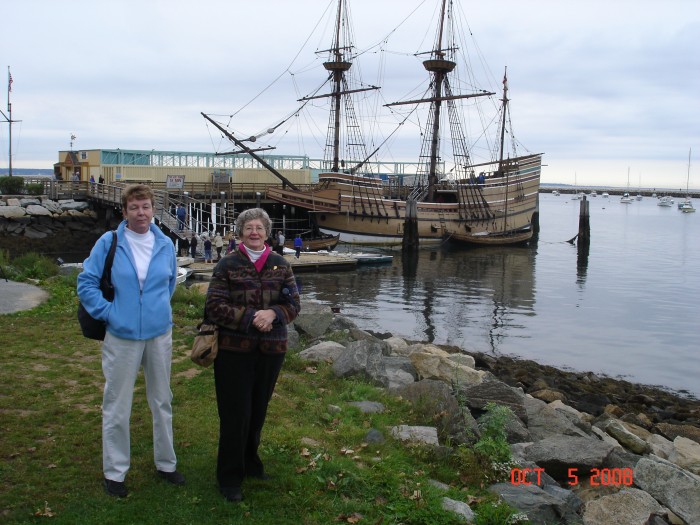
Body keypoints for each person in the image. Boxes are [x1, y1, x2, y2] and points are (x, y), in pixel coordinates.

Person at [77, 184, 184, 498]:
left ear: (153, 210)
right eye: (135, 207)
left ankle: (166, 463)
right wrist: (109, 312)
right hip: (121, 335)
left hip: (159, 333)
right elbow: (86, 282)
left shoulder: (165, 244)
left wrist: (157, 312)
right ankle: (115, 472)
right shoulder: (109, 242)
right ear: (124, 211)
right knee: (117, 404)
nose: (141, 213)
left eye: (147, 207)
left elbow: (168, 284)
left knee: (162, 400)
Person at [205, 208, 300, 503]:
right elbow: (214, 306)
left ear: (267, 233)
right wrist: (251, 317)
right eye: (249, 228)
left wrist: (274, 313)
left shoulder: (280, 264)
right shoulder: (227, 264)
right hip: (234, 352)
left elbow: (294, 303)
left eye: (259, 228)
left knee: (257, 412)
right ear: (241, 232)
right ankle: (229, 476)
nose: (254, 232)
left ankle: (250, 463)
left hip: (271, 350)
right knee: (235, 414)